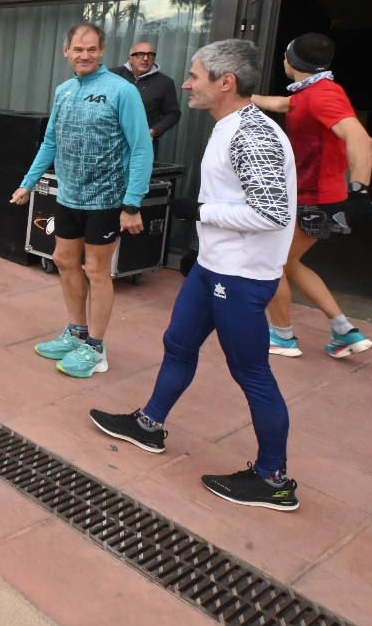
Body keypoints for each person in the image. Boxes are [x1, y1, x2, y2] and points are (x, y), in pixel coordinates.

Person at [90, 39, 302, 512]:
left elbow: (271, 213)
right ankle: (149, 425)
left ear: (225, 82)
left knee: (252, 373)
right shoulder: (230, 126)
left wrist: (201, 210)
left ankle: (274, 480)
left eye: (195, 74)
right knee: (179, 344)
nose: (185, 82)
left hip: (242, 277)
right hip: (213, 267)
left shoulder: (254, 134)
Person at [10, 22, 152, 378]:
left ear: (102, 51)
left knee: (97, 271)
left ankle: (96, 349)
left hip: (106, 199)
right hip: (68, 195)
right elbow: (51, 142)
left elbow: (140, 148)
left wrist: (132, 203)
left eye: (91, 49)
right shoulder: (65, 91)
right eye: (78, 49)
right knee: (63, 259)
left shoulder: (122, 91)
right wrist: (29, 182)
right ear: (67, 52)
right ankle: (76, 331)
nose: (84, 55)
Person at [250, 33, 372, 359]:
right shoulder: (312, 92)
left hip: (317, 198)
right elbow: (285, 103)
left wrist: (360, 190)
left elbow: (361, 140)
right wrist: (243, 98)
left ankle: (282, 337)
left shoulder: (323, 96)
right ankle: (343, 330)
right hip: (311, 196)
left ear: (291, 62)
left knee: (271, 264)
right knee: (290, 263)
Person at [110, 41, 181, 155]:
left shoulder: (165, 83)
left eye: (150, 54)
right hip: (109, 141)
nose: (146, 58)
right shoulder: (113, 75)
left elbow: (173, 114)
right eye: (140, 54)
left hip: (142, 145)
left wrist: (153, 132)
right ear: (130, 58)